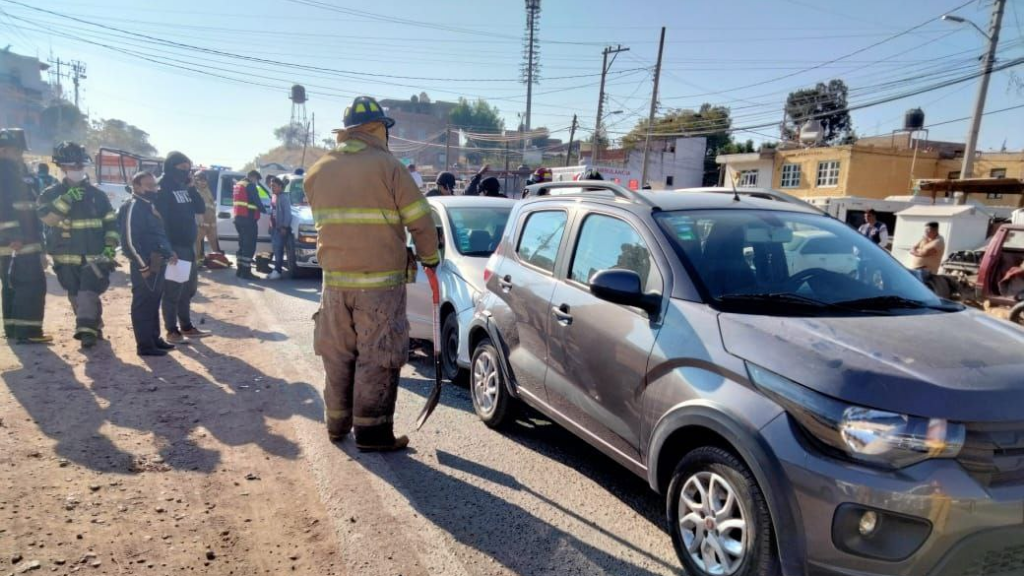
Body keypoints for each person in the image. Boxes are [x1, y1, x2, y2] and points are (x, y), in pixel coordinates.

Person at [305, 95, 439, 451]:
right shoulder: (388, 166)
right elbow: (420, 219)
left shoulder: (319, 169)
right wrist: (430, 256)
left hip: (333, 284)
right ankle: (372, 434)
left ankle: (336, 425)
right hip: (379, 284)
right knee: (378, 355)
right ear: (377, 128)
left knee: (337, 354)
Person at [37, 141, 119, 349]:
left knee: (88, 292)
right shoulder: (50, 194)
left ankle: (85, 332)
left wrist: (110, 246)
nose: (78, 171)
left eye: (80, 166)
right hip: (65, 258)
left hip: (95, 257)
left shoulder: (97, 195)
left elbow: (111, 222)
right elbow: (48, 219)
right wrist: (66, 200)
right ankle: (93, 325)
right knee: (76, 295)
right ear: (62, 167)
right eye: (73, 167)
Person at [0, 128, 50, 344]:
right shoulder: (5, 173)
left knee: (12, 284)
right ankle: (28, 332)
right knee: (30, 284)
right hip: (19, 242)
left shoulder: (15, 173)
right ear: (3, 150)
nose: (20, 156)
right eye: (17, 151)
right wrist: (13, 235)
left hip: (18, 241)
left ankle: (13, 329)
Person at [119, 171, 177, 356]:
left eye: (155, 185)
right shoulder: (133, 206)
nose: (154, 189)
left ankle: (154, 339)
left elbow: (157, 234)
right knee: (143, 304)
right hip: (145, 264)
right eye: (149, 186)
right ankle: (144, 345)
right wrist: (142, 266)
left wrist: (169, 252)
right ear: (137, 187)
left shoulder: (147, 205)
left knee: (153, 302)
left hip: (157, 262)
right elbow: (129, 241)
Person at [156, 151, 208, 344]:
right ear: (171, 167)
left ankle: (186, 326)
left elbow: (200, 208)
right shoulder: (163, 188)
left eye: (188, 169)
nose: (186, 172)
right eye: (183, 168)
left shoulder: (183, 187)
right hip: (175, 247)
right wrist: (169, 249)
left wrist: (192, 188)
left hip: (188, 246)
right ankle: (172, 330)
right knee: (172, 291)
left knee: (188, 289)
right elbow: (162, 222)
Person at [232, 170, 264, 280]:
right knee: (249, 246)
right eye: (256, 179)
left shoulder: (238, 185)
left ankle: (240, 270)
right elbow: (257, 201)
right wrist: (265, 210)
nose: (256, 182)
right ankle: (246, 272)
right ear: (253, 177)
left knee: (242, 245)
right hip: (248, 220)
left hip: (238, 219)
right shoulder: (250, 186)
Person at [268, 175, 292, 280]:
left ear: (280, 187)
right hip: (273, 228)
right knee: (275, 249)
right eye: (271, 185)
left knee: (278, 250)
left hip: (280, 228)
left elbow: (287, 214)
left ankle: (277, 271)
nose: (272, 187)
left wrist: (284, 227)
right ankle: (276, 269)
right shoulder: (274, 196)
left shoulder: (284, 198)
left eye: (274, 186)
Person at [193, 169, 221, 260]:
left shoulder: (207, 190)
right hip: (201, 223)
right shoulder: (195, 191)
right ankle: (197, 262)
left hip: (210, 223)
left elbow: (211, 206)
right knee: (197, 242)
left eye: (204, 180)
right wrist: (199, 221)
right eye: (200, 180)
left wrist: (213, 223)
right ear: (196, 181)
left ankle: (218, 259)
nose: (202, 182)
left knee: (213, 241)